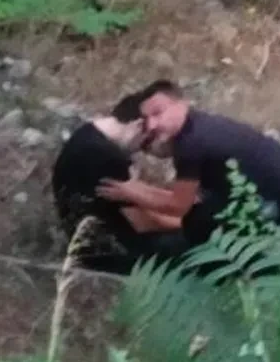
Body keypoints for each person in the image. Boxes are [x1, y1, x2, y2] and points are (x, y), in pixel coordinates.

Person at [95, 80, 280, 248]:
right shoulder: (198, 124)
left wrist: (129, 192)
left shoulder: (191, 144)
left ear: (181, 104)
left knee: (199, 223)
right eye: (149, 119)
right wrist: (140, 190)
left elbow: (178, 206)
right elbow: (186, 195)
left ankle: (225, 277)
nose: (154, 124)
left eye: (159, 112)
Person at [51, 93, 187, 274]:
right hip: (107, 252)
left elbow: (136, 192)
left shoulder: (89, 135)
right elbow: (144, 222)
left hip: (88, 234)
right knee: (195, 240)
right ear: (139, 125)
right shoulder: (106, 159)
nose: (144, 150)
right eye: (147, 142)